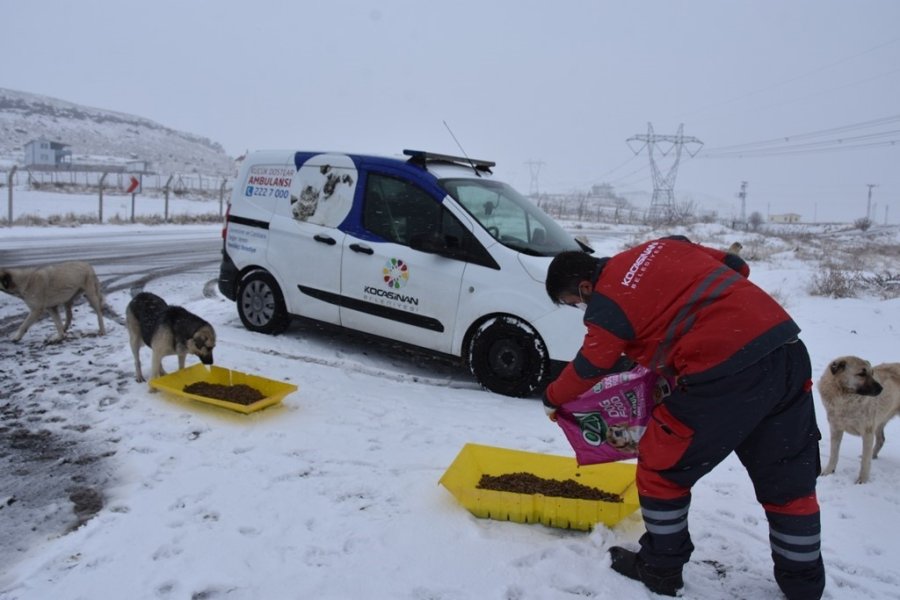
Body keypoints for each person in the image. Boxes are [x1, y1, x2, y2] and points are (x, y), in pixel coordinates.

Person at [543, 236, 824, 599]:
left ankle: (660, 569)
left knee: (661, 468)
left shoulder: (607, 302)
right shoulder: (664, 246)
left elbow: (593, 363)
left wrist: (552, 398)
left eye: (576, 303)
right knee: (788, 479)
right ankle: (804, 584)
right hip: (784, 349)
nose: (582, 308)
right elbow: (737, 267)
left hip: (726, 372)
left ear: (584, 286)